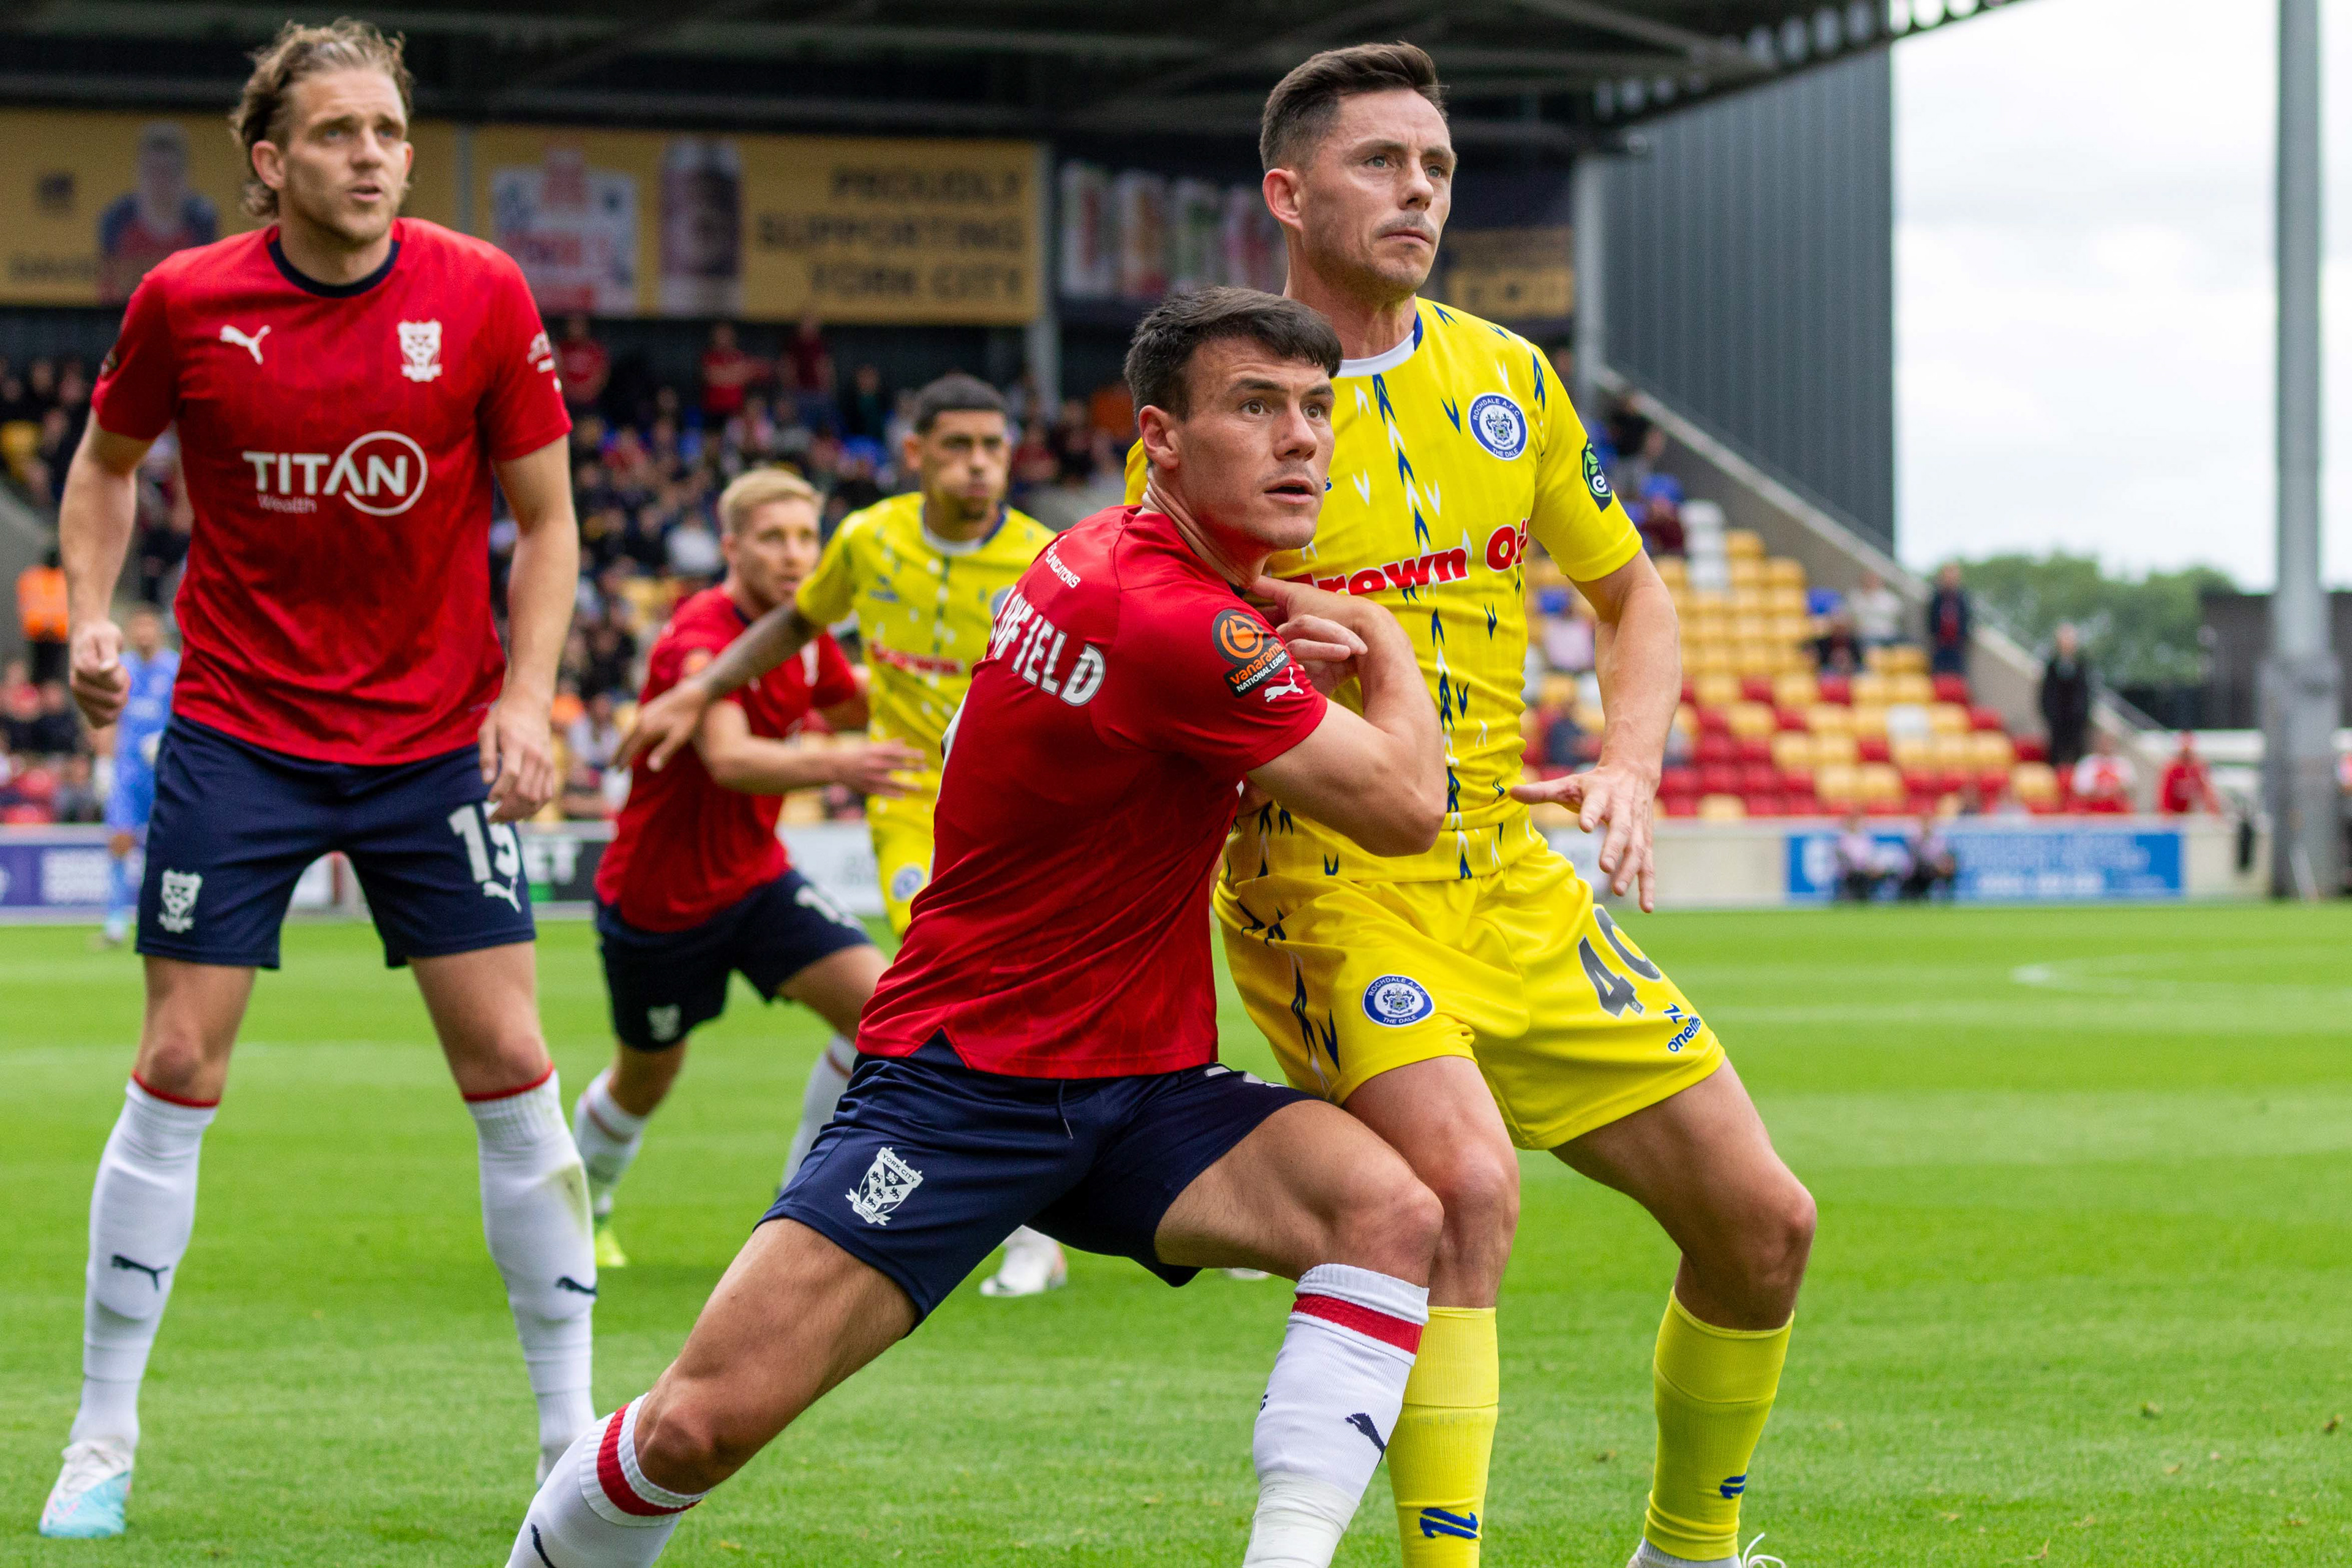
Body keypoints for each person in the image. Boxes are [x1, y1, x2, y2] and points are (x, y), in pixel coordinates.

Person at [523, 286, 1449, 1568]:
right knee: (694, 1426)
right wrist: (1393, 650)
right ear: (1160, 440)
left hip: (1137, 1083)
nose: (1302, 439)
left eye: (1316, 409)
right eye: (1256, 406)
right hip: (969, 1083)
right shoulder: (1177, 617)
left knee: (1391, 1208)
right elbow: (1407, 806)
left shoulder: (1092, 556)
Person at [1116, 47, 1813, 1568]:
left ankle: (1686, 1551)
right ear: (1287, 195)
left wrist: (1625, 760)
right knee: (1461, 1185)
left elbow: (1633, 601)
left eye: (1434, 167)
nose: (1419, 191)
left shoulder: (1507, 376)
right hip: (1330, 880)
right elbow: (1163, 670)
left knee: (1764, 1224)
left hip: (1510, 873)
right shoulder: (1228, 416)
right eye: (1380, 163)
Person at [38, 22, 589, 1540]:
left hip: (432, 741)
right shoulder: (186, 300)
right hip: (238, 732)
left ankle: (565, 1430)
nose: (373, 155)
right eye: (339, 132)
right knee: (176, 1067)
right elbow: (105, 464)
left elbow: (547, 525)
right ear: (271, 162)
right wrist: (92, 607)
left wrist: (529, 698)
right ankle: (102, 1429)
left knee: (510, 1061)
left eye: (392, 132)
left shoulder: (480, 291)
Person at [662, 372, 1068, 1294]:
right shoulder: (868, 539)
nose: (978, 465)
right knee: (952, 988)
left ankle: (1021, 1221)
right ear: (914, 452)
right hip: (911, 808)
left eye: (994, 447)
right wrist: (702, 687)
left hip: (1025, 814)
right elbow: (790, 629)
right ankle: (1020, 1226)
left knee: (926, 1007)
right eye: (958, 446)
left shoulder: (1047, 559)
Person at [570, 469, 918, 1268]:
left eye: (807, 537)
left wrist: (937, 665)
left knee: (884, 1016)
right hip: (661, 904)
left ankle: (799, 1212)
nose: (796, 554)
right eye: (774, 538)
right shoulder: (700, 632)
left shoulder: (803, 633)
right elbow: (728, 758)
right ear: (731, 547)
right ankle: (587, 1201)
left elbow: (848, 701)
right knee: (645, 1079)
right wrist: (844, 765)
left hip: (757, 880)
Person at [96, 605, 176, 949]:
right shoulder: (121, 668)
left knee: (168, 845)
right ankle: (116, 921)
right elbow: (106, 718)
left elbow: (191, 714)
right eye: (138, 627)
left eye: (149, 627)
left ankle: (160, 919)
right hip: (128, 771)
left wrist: (168, 740)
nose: (144, 634)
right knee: (120, 842)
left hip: (167, 768)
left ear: (159, 631)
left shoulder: (175, 667)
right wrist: (104, 762)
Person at [97, 121, 220, 304]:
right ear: (138, 173)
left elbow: (210, 290)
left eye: (169, 172)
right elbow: (107, 291)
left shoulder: (202, 221)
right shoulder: (116, 220)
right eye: (153, 171)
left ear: (185, 175)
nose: (161, 182)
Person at [2038, 622, 2093, 772]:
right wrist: (2051, 715)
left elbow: (2086, 694)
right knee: (2055, 757)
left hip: (2076, 723)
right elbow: (2046, 694)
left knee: (2077, 759)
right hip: (2057, 722)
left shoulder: (2082, 666)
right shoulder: (2052, 667)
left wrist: (2081, 715)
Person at [19, 545, 69, 685]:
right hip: (37, 635)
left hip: (58, 636)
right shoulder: (33, 578)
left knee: (55, 676)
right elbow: (27, 605)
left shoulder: (63, 580)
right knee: (36, 674)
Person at [556, 314, 611, 417]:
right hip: (565, 400)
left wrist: (585, 393)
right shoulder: (561, 348)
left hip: (589, 402)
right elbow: (556, 374)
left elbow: (601, 376)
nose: (576, 329)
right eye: (573, 325)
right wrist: (571, 391)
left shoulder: (594, 349)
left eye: (579, 325)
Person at [2070, 732, 2136, 813]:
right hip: (2092, 808)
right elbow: (2079, 790)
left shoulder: (2122, 763)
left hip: (2117, 809)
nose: (2106, 745)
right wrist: (2100, 793)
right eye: (2103, 742)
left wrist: (2113, 791)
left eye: (2109, 741)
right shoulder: (2087, 763)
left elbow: (2131, 788)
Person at [1897, 811, 1956, 900]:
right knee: (1923, 870)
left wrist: (1943, 864)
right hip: (1918, 869)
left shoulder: (1938, 839)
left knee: (1947, 867)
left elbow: (1944, 854)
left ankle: (1946, 897)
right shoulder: (1915, 837)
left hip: (1934, 868)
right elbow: (1916, 856)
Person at [1925, 562, 1971, 677]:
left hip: (1957, 646)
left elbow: (1966, 618)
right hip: (1940, 645)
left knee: (1958, 678)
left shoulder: (1962, 598)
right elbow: (1932, 619)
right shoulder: (1938, 597)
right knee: (1938, 677)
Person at [2157, 731, 2220, 815]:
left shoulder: (2197, 768)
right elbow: (2165, 793)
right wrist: (2166, 812)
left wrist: (2213, 809)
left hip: (2190, 812)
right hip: (2174, 812)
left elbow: (2207, 790)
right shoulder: (2172, 768)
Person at [1832, 811, 1887, 902]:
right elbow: (1844, 858)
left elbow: (1871, 856)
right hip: (1850, 871)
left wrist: (1874, 867)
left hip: (1865, 869)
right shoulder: (1843, 839)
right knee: (1860, 875)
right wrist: (1863, 867)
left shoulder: (1865, 839)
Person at [1849, 570, 1904, 649]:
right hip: (1867, 636)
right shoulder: (1855, 598)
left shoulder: (1889, 599)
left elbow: (1898, 616)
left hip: (1890, 635)